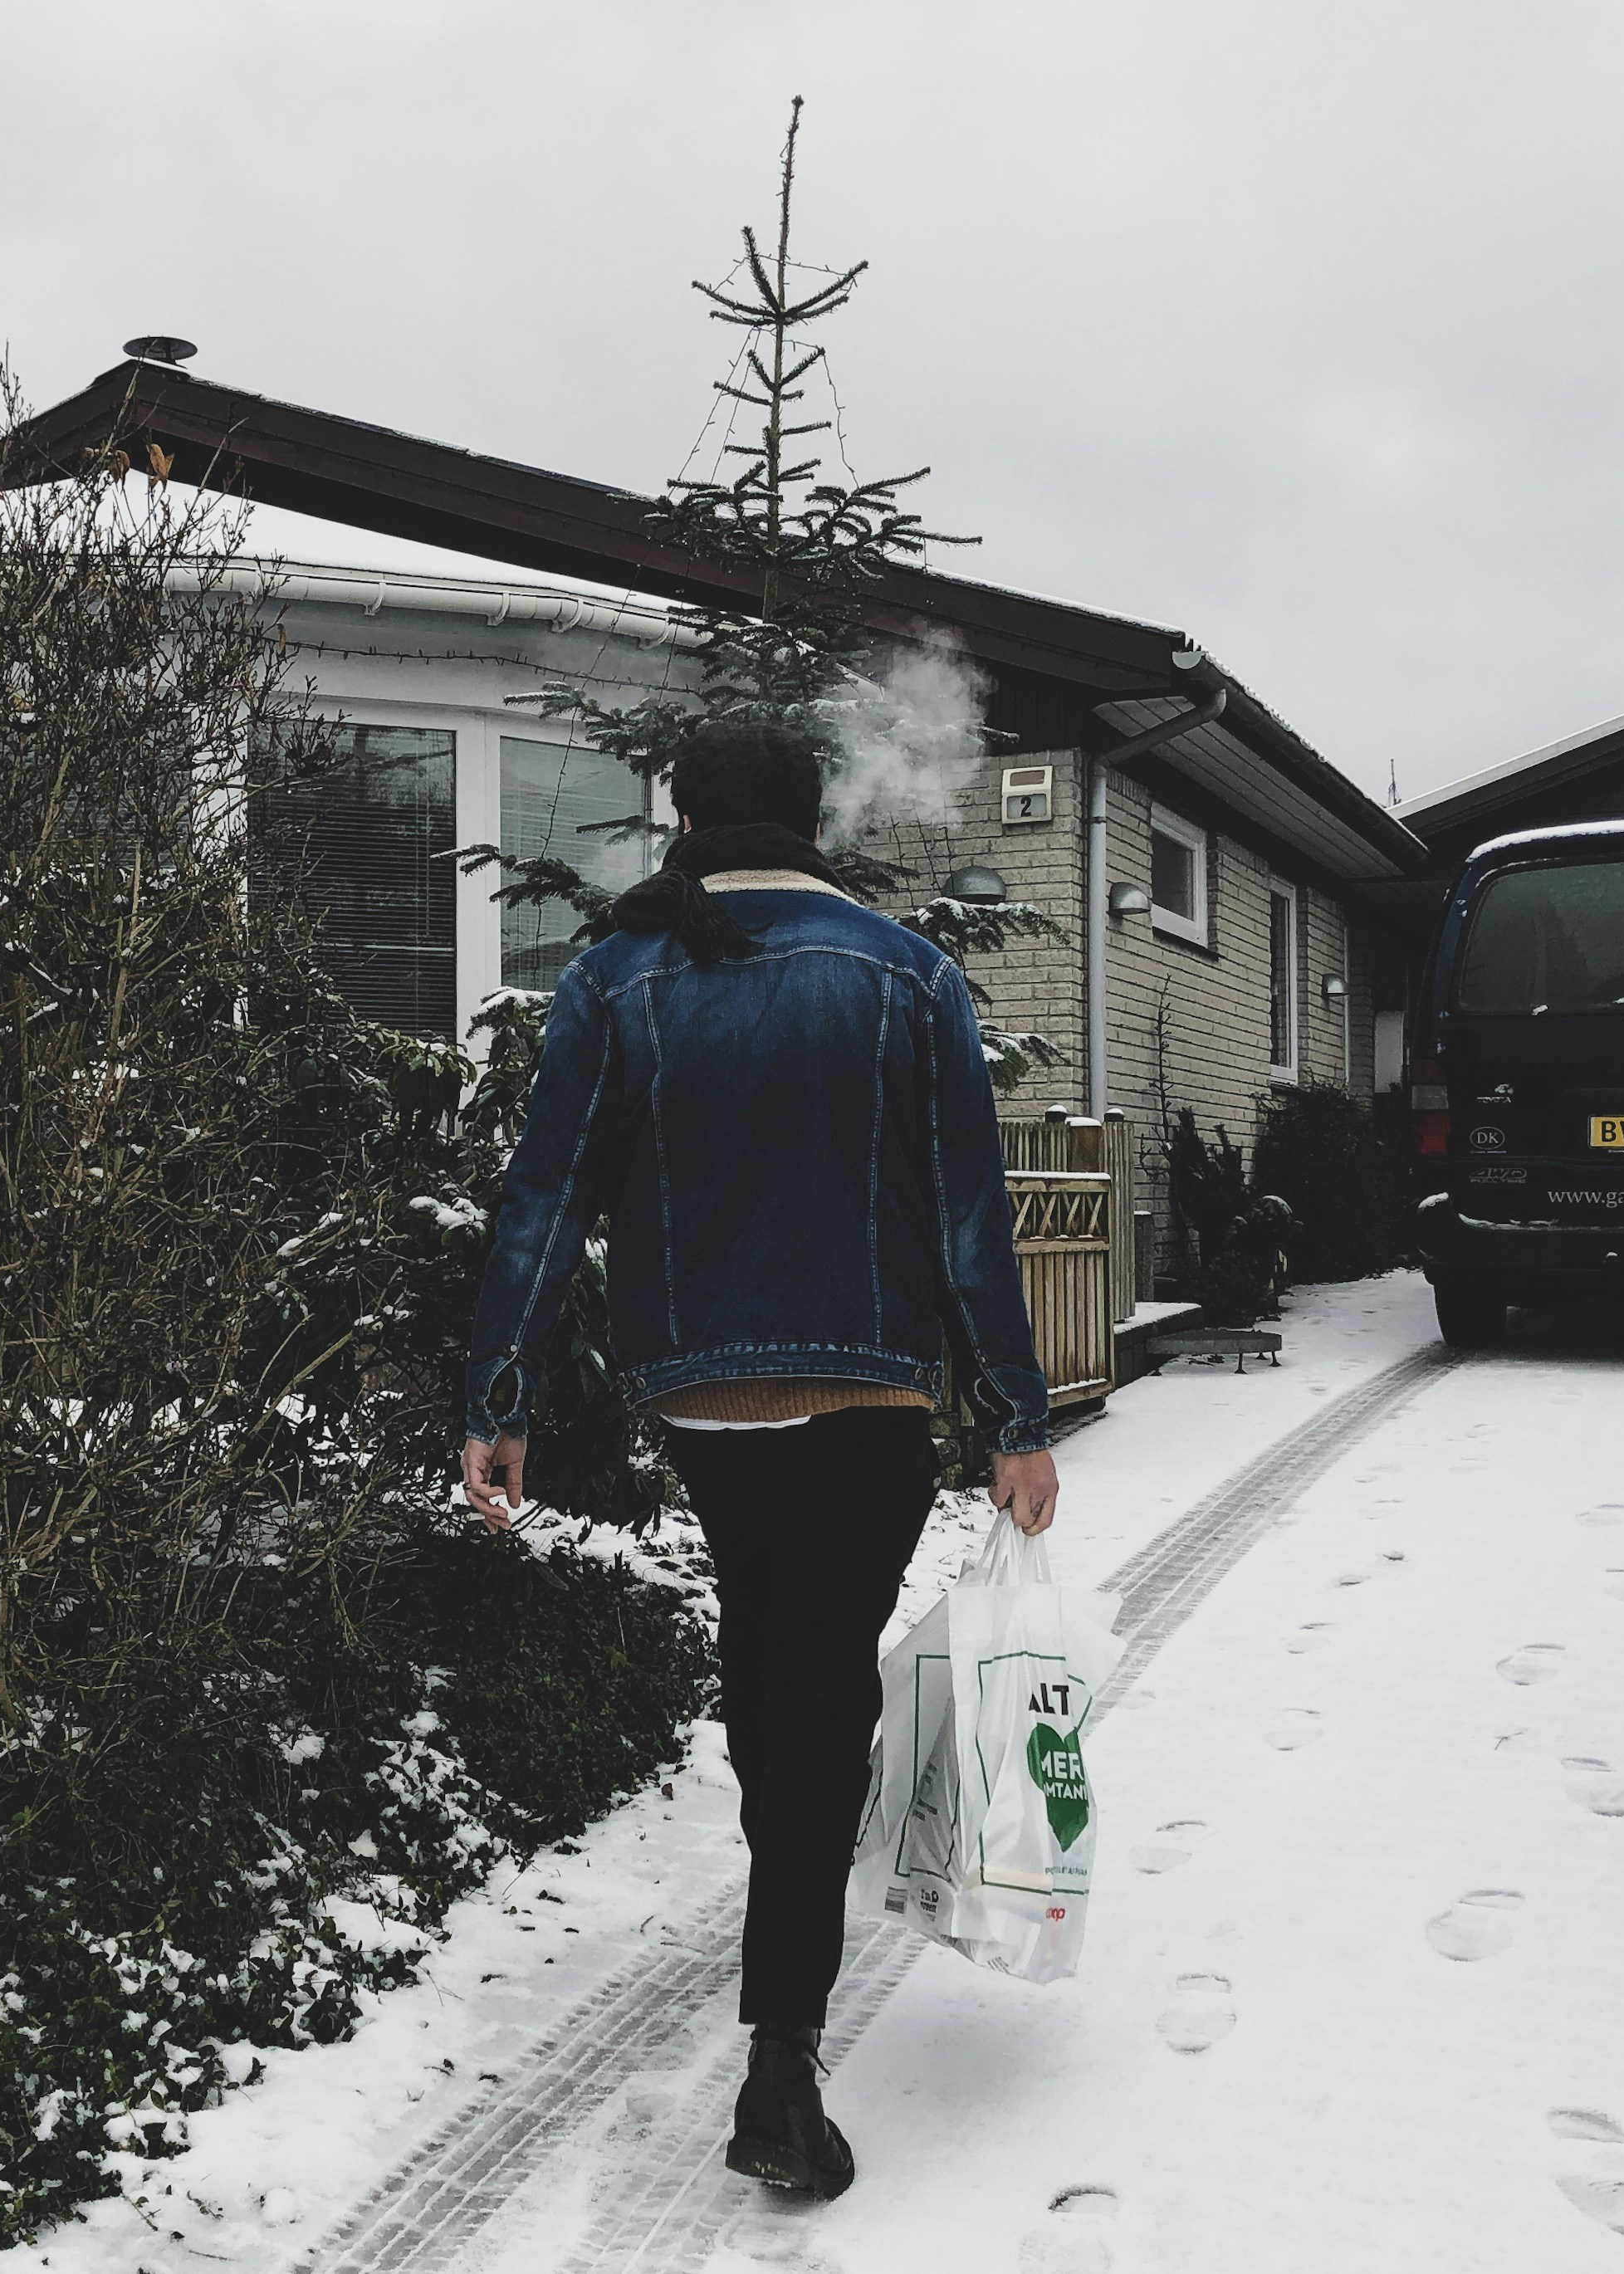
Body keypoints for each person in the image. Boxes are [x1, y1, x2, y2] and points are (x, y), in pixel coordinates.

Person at [458, 718, 1057, 2201]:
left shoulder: (617, 972)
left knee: (769, 1648)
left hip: (702, 1396)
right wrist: (1014, 1420)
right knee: (822, 1688)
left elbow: (545, 1200)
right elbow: (969, 1220)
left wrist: (501, 1398)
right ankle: (782, 2059)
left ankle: (790, 1837)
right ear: (811, 822)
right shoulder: (907, 973)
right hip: (867, 1392)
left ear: (687, 821)